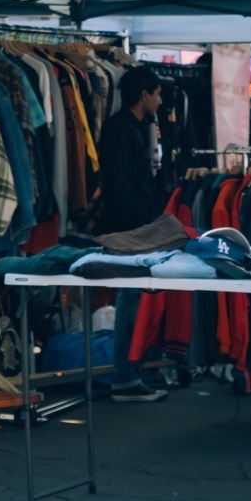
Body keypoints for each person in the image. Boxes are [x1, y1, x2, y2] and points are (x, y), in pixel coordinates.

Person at [98, 65, 168, 402]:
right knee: (131, 299)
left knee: (139, 298)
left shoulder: (137, 128)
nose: (160, 99)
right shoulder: (121, 130)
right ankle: (125, 376)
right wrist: (139, 230)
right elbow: (119, 187)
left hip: (138, 228)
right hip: (129, 230)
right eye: (157, 93)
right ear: (144, 94)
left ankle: (136, 371)